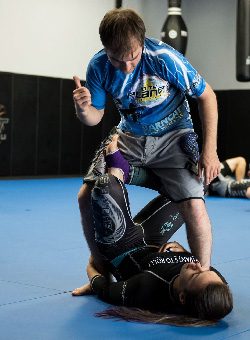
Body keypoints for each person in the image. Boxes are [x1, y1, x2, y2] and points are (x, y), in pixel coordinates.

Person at [73, 8, 221, 270]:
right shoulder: (98, 66)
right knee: (85, 196)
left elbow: (207, 96)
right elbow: (95, 117)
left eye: (133, 57)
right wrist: (84, 110)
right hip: (130, 135)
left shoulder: (163, 58)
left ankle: (202, 275)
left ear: (142, 43)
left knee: (195, 208)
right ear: (105, 49)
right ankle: (100, 269)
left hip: (174, 137)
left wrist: (210, 151)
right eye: (117, 60)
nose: (127, 67)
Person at [72, 155, 233, 326]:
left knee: (105, 184)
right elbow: (198, 268)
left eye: (195, 274)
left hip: (123, 246)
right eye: (204, 269)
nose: (197, 265)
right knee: (197, 186)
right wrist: (184, 253)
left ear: (182, 296)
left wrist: (94, 264)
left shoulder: (148, 289)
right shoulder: (215, 283)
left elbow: (104, 290)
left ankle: (125, 169)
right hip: (153, 238)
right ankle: (129, 170)